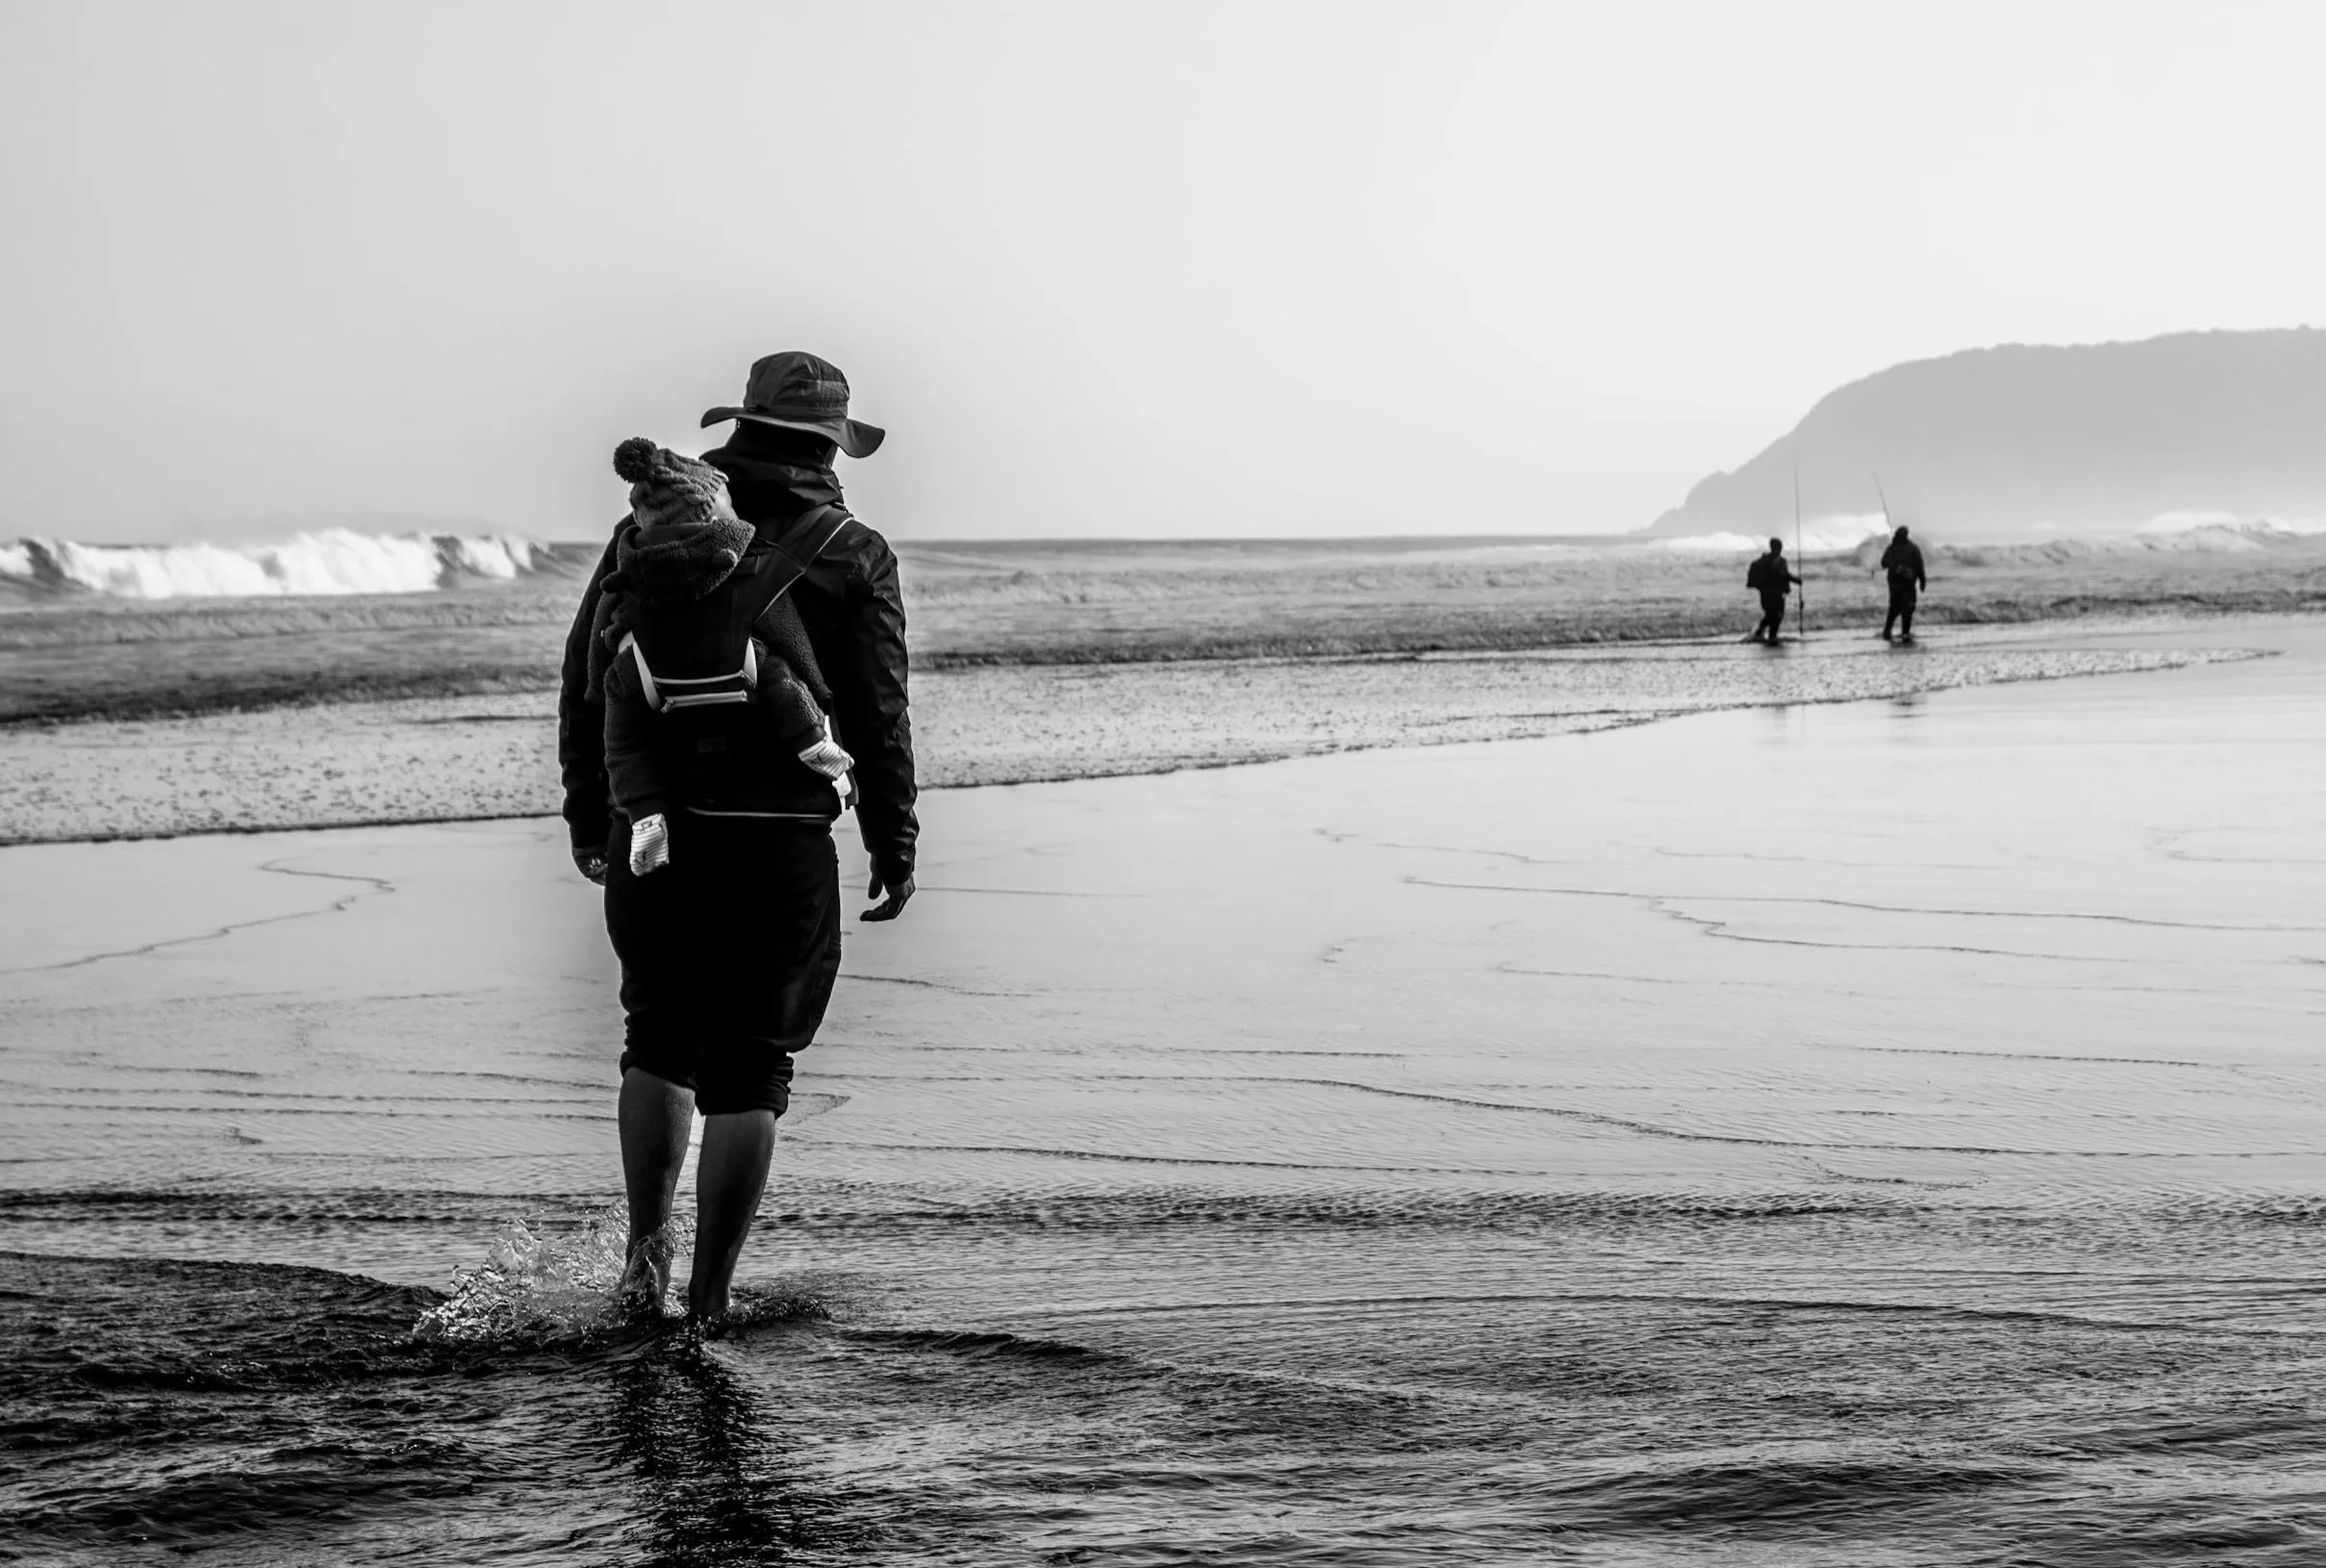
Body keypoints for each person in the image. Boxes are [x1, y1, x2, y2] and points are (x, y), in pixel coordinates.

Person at [557, 351, 918, 1322]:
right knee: (751, 1064)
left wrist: (591, 812)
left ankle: (644, 1261)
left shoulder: (653, 528)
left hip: (656, 834)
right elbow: (879, 715)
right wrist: (894, 836)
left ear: (744, 427)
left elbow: (587, 675)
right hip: (778, 844)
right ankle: (712, 1301)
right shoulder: (851, 548)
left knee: (656, 1039)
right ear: (830, 445)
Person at [1744, 537, 1800, 644]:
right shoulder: (1780, 561)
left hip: (1765, 594)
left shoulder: (1763, 561)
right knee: (1776, 616)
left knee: (1771, 615)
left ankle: (1760, 632)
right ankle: (1771, 637)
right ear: (1780, 547)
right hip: (1776, 595)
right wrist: (1796, 580)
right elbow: (1784, 575)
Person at [1878, 525, 1928, 643]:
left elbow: (1883, 563)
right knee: (1906, 607)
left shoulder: (1893, 548)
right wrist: (1922, 581)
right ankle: (1903, 632)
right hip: (1906, 584)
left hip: (1897, 583)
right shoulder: (1912, 548)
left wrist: (1894, 564)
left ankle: (1889, 631)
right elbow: (1919, 566)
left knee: (1896, 607)